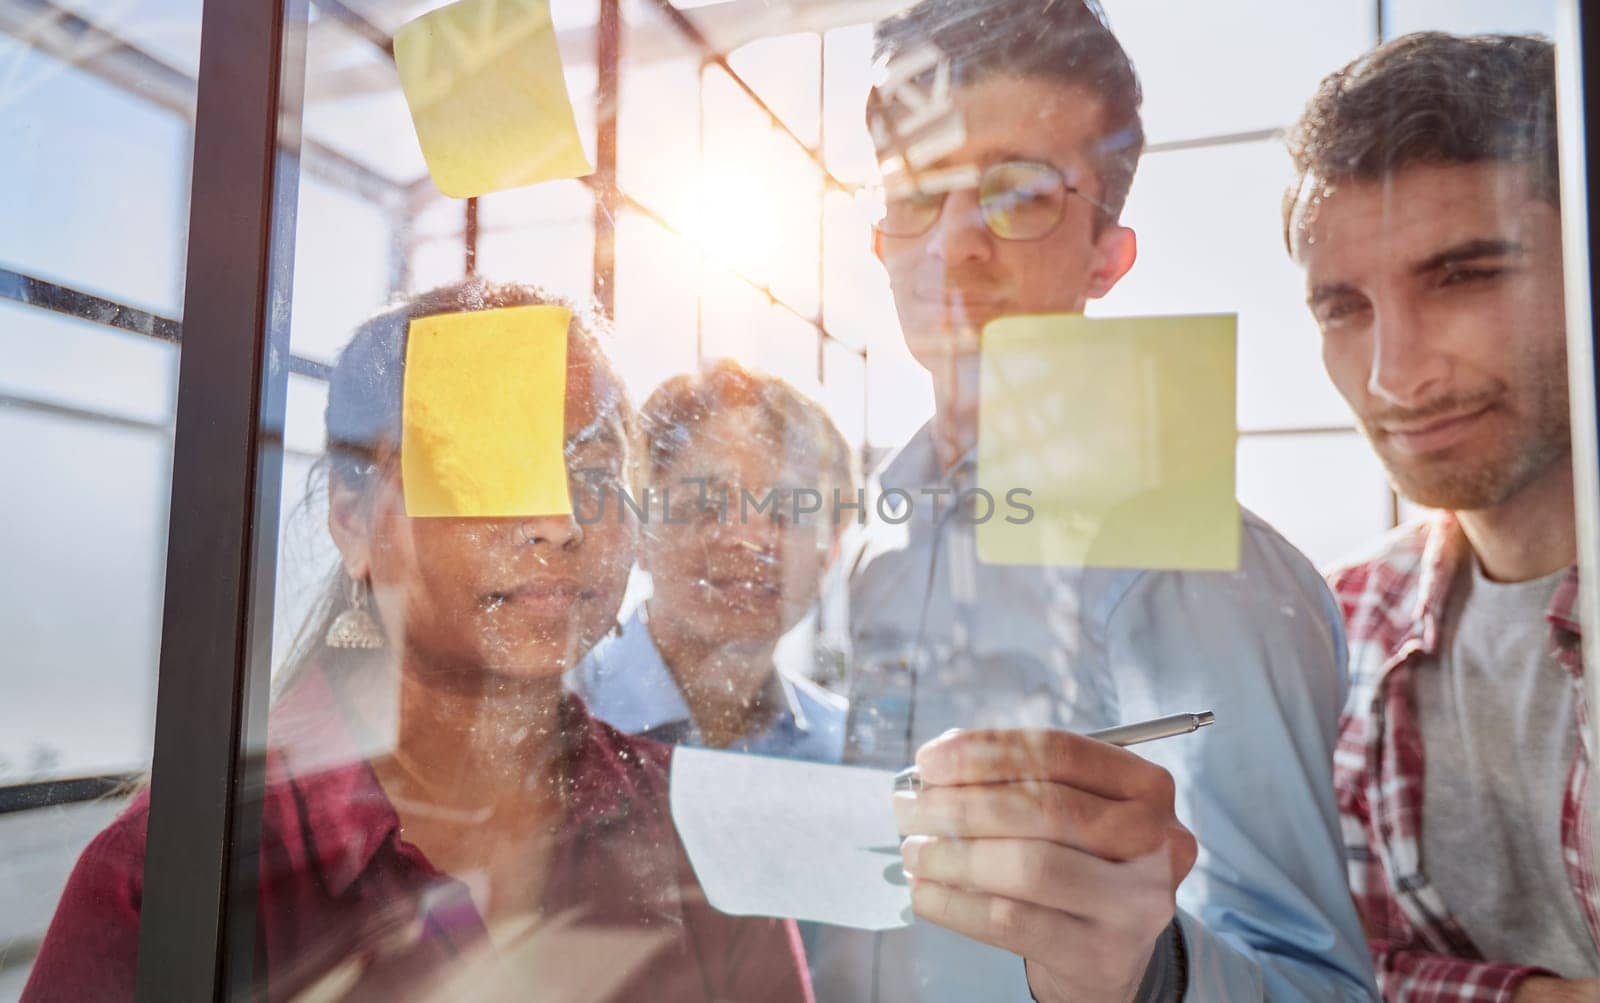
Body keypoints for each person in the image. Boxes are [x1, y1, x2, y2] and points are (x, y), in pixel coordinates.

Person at [21, 281, 812, 1003]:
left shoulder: (701, 829)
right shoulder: (172, 880)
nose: (559, 520)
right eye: (490, 468)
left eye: (595, 473)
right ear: (351, 516)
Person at [809, 1, 1379, 1000]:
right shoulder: (884, 546)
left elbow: (1319, 985)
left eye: (1019, 193)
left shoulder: (1208, 572)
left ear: (1106, 258)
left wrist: (1150, 973)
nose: (954, 244)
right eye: (914, 194)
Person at [1285, 33, 1599, 1001]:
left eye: (1463, 274)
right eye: (1343, 306)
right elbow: (1318, 963)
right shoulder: (1336, 622)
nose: (1393, 376)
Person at [570, 358, 855, 762]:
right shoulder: (548, 724)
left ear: (833, 551)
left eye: (789, 511)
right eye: (709, 503)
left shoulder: (849, 752)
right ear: (639, 533)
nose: (749, 538)